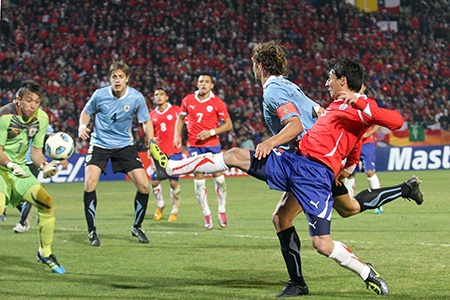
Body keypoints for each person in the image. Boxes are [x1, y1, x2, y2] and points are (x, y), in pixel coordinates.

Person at [151, 57, 421, 296]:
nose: (326, 83)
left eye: (330, 78)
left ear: (343, 79)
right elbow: (352, 137)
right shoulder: (336, 105)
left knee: (324, 241)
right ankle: (171, 168)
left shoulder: (360, 106)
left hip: (315, 175)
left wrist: (359, 106)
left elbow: (396, 121)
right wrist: (348, 165)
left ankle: (367, 271)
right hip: (295, 161)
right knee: (247, 171)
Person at [78, 61, 154, 246]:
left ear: (127, 78)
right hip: (100, 144)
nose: (117, 80)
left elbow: (146, 121)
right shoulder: (99, 95)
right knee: (89, 183)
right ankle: (92, 231)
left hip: (124, 146)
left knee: (144, 186)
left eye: (121, 76)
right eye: (114, 76)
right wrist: (82, 125)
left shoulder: (136, 97)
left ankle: (137, 226)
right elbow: (85, 113)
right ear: (109, 78)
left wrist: (151, 142)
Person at [0, 80, 65, 273]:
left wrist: (44, 166)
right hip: (2, 169)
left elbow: (36, 152)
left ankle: (45, 253)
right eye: (29, 101)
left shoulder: (41, 119)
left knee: (47, 203)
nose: (33, 105)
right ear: (18, 100)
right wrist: (10, 164)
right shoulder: (4, 116)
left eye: (37, 101)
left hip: (20, 169)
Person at [174, 72, 233, 230]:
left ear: (211, 85)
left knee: (218, 177)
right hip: (194, 145)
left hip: (212, 144)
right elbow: (180, 119)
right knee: (199, 178)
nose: (203, 84)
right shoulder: (188, 100)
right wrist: (176, 136)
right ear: (197, 83)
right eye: (201, 81)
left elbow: (228, 124)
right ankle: (206, 213)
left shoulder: (216, 102)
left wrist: (211, 132)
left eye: (207, 81)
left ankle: (221, 209)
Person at [150, 88, 182, 222]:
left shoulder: (176, 110)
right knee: (155, 181)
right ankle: (160, 204)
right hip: (159, 154)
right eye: (156, 94)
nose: (158, 97)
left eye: (161, 94)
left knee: (173, 183)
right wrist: (151, 153)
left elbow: (185, 123)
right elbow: (150, 137)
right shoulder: (151, 115)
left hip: (174, 152)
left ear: (167, 97)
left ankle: (175, 209)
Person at [345, 124, 383, 212]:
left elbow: (378, 123)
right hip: (351, 143)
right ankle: (348, 203)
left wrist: (368, 133)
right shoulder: (349, 110)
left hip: (367, 144)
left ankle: (378, 201)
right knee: (349, 173)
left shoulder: (367, 110)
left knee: (369, 172)